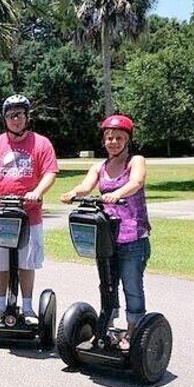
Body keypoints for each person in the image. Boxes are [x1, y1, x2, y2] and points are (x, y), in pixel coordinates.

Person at [60, 114, 150, 349]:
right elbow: (86, 186)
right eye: (109, 138)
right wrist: (72, 193)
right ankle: (105, 328)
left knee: (131, 285)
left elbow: (136, 182)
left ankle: (133, 332)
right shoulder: (99, 166)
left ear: (127, 140)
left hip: (133, 236)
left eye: (119, 138)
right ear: (104, 140)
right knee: (107, 284)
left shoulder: (135, 161)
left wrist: (118, 193)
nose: (113, 142)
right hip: (106, 235)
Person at [0, 94, 59, 325]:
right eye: (11, 115)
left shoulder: (41, 143)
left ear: (27, 116)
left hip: (29, 215)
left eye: (20, 114)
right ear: (5, 118)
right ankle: (1, 306)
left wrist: (37, 192)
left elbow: (50, 172)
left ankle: (29, 306)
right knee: (0, 263)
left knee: (27, 263)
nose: (16, 119)